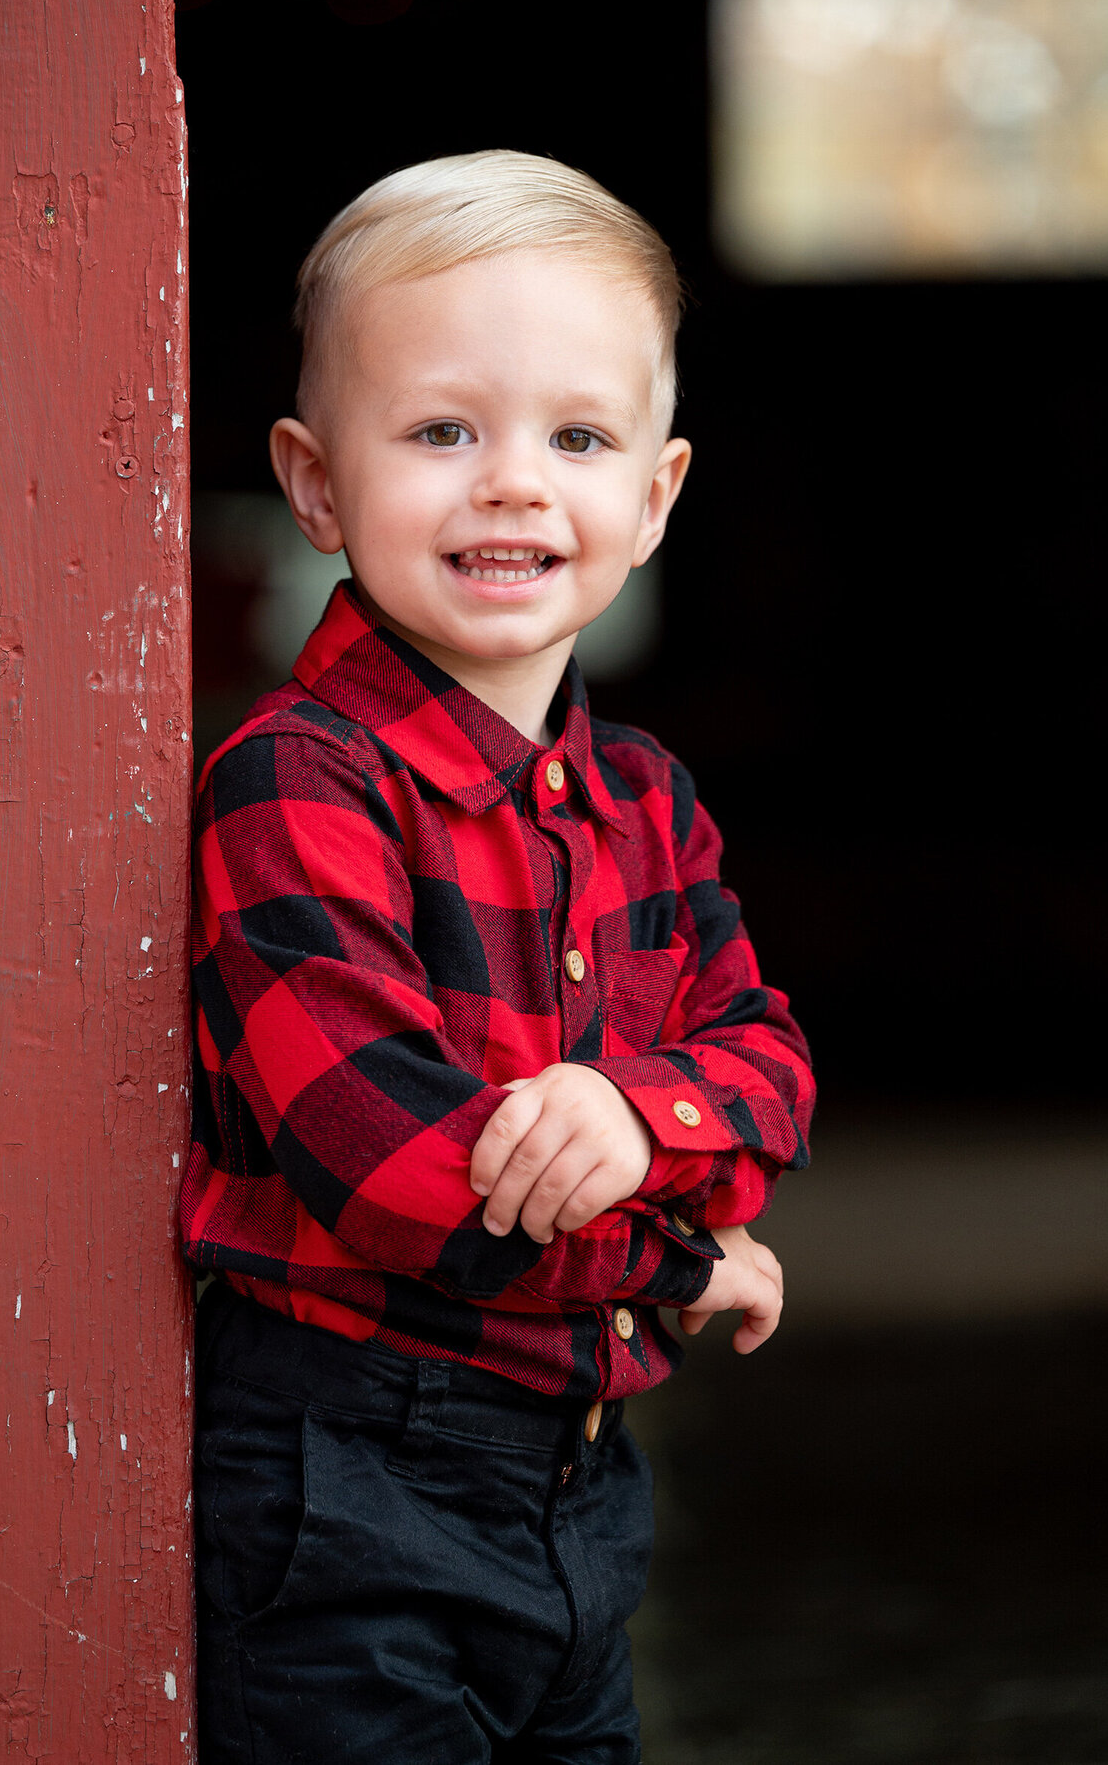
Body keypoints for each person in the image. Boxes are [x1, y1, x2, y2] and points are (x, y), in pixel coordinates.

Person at [182, 150, 815, 1765]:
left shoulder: (645, 797)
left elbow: (769, 1063)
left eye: (578, 438)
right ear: (316, 485)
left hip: (582, 1483)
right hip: (349, 1494)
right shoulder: (293, 778)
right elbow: (400, 1172)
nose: (515, 483)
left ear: (656, 497)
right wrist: (683, 1259)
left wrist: (635, 1113)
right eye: (443, 432)